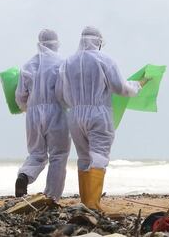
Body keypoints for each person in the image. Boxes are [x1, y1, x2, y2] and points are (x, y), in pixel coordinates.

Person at [57, 27, 145, 210]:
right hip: (98, 114)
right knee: (99, 155)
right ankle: (93, 204)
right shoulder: (105, 60)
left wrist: (75, 105)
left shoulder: (66, 63)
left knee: (83, 157)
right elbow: (120, 88)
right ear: (98, 41)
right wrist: (137, 86)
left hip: (74, 115)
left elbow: (60, 94)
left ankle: (85, 203)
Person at [14, 29, 71, 201]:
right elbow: (63, 92)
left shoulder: (28, 65)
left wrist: (27, 108)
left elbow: (20, 96)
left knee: (36, 153)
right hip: (56, 111)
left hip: (33, 112)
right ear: (56, 43)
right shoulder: (62, 63)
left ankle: (24, 175)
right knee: (58, 155)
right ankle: (51, 196)